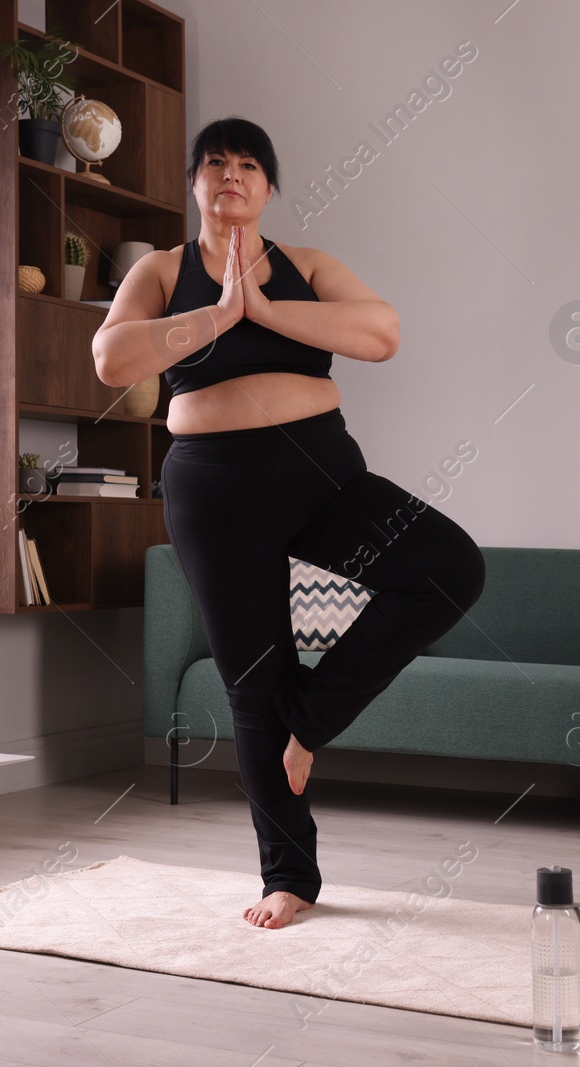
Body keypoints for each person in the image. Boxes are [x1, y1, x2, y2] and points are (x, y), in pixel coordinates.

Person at [92, 117, 486, 929]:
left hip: (320, 473)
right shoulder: (164, 272)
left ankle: (311, 719)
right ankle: (289, 877)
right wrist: (217, 314)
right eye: (215, 164)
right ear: (195, 183)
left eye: (248, 165)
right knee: (250, 683)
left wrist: (264, 310)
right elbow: (113, 358)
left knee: (450, 568)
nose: (231, 175)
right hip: (211, 488)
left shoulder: (305, 266)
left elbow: (382, 332)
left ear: (269, 187)